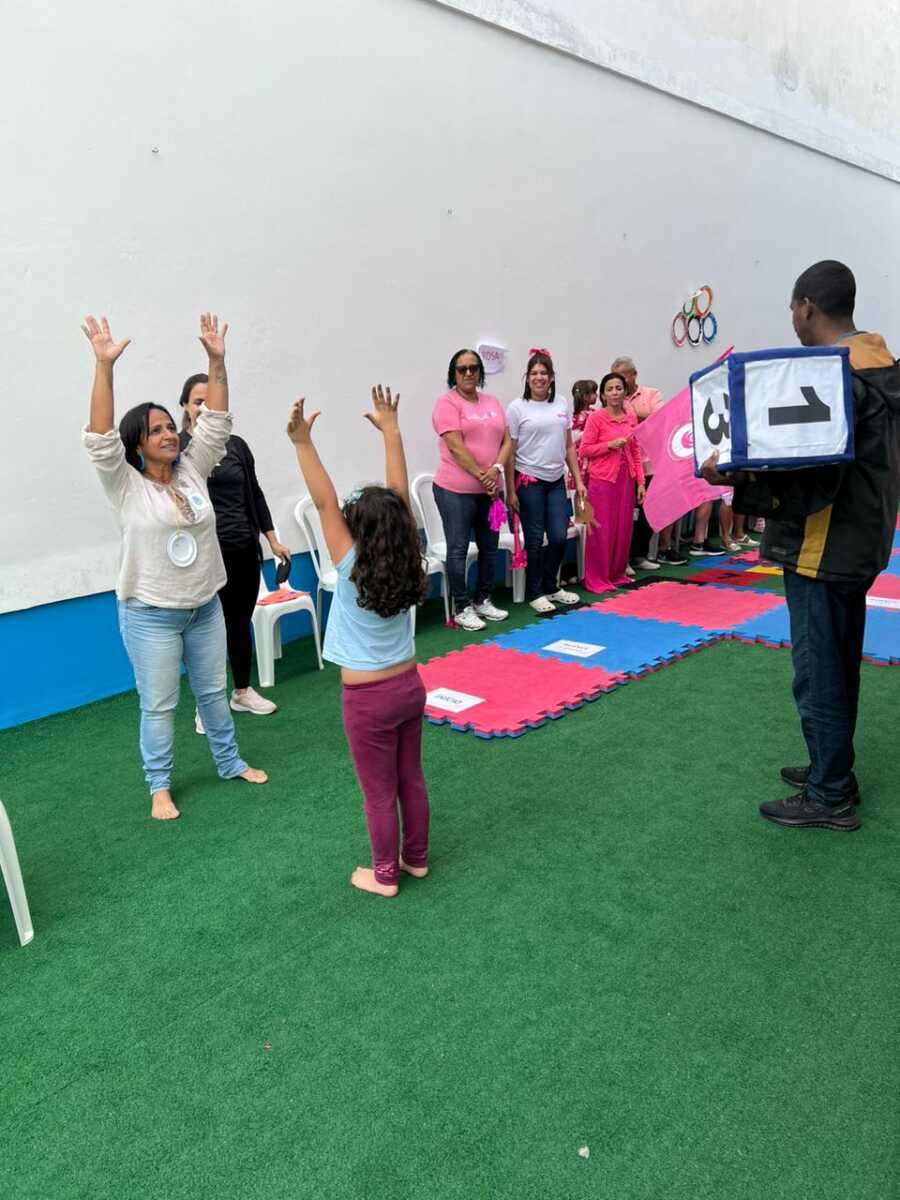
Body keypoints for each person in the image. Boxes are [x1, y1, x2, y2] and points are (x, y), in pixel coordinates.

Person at [701, 260, 900, 831]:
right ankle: (831, 769)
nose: (792, 318)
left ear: (807, 307)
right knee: (838, 661)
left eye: (792, 308)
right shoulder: (879, 367)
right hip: (862, 540)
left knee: (817, 670)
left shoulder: (836, 376)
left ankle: (829, 793)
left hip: (823, 545)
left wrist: (735, 477)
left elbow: (811, 473)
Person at [81, 314, 268, 821]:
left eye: (170, 427)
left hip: (204, 607)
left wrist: (216, 360)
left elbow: (217, 421)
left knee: (213, 693)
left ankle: (229, 762)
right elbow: (99, 437)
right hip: (150, 615)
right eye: (156, 430)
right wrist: (104, 367)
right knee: (160, 705)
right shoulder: (124, 484)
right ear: (137, 444)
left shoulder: (192, 469)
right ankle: (159, 786)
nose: (168, 434)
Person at [288, 386, 430, 897]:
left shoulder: (350, 565)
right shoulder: (408, 553)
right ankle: (415, 860)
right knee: (410, 778)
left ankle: (384, 875)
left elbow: (324, 500)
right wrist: (392, 431)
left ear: (357, 531)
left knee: (379, 793)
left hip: (368, 698)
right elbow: (398, 495)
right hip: (410, 686)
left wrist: (302, 443)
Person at [179, 374, 292, 723]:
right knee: (206, 631)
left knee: (239, 622)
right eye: (198, 401)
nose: (204, 408)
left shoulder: (238, 446)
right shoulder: (180, 450)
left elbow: (255, 493)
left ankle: (242, 691)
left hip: (244, 548)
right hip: (205, 555)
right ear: (185, 406)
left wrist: (272, 538)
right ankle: (206, 704)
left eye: (210, 402)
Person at [431, 349, 512, 631]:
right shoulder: (447, 403)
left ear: (480, 372)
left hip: (490, 492)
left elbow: (507, 441)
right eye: (462, 368)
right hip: (455, 490)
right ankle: (461, 607)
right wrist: (482, 476)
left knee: (490, 546)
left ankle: (482, 599)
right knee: (458, 549)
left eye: (474, 368)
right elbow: (455, 446)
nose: (468, 373)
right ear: (453, 373)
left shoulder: (493, 402)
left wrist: (496, 471)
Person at [505, 350, 587, 614]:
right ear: (527, 378)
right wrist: (510, 490)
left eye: (544, 373)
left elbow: (569, 446)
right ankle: (535, 591)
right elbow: (510, 452)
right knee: (534, 538)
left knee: (559, 536)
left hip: (555, 481)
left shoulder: (561, 403)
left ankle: (552, 585)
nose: (539, 378)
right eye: (534, 373)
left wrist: (578, 479)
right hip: (529, 480)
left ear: (551, 377)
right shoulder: (517, 408)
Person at [580, 372, 646, 592]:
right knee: (601, 531)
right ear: (603, 395)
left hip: (626, 480)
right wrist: (609, 445)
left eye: (618, 388)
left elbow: (636, 451)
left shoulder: (630, 417)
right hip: (602, 481)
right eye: (610, 389)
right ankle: (597, 578)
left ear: (625, 391)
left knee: (623, 529)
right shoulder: (596, 418)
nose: (615, 393)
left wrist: (640, 482)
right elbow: (584, 450)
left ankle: (616, 574)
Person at [611, 355, 673, 569]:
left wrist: (630, 420)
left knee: (648, 511)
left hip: (651, 464)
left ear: (634, 375)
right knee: (625, 513)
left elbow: (660, 420)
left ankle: (639, 555)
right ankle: (622, 558)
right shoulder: (614, 397)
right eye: (615, 377)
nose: (619, 382)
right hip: (625, 466)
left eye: (623, 376)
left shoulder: (651, 394)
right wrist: (639, 421)